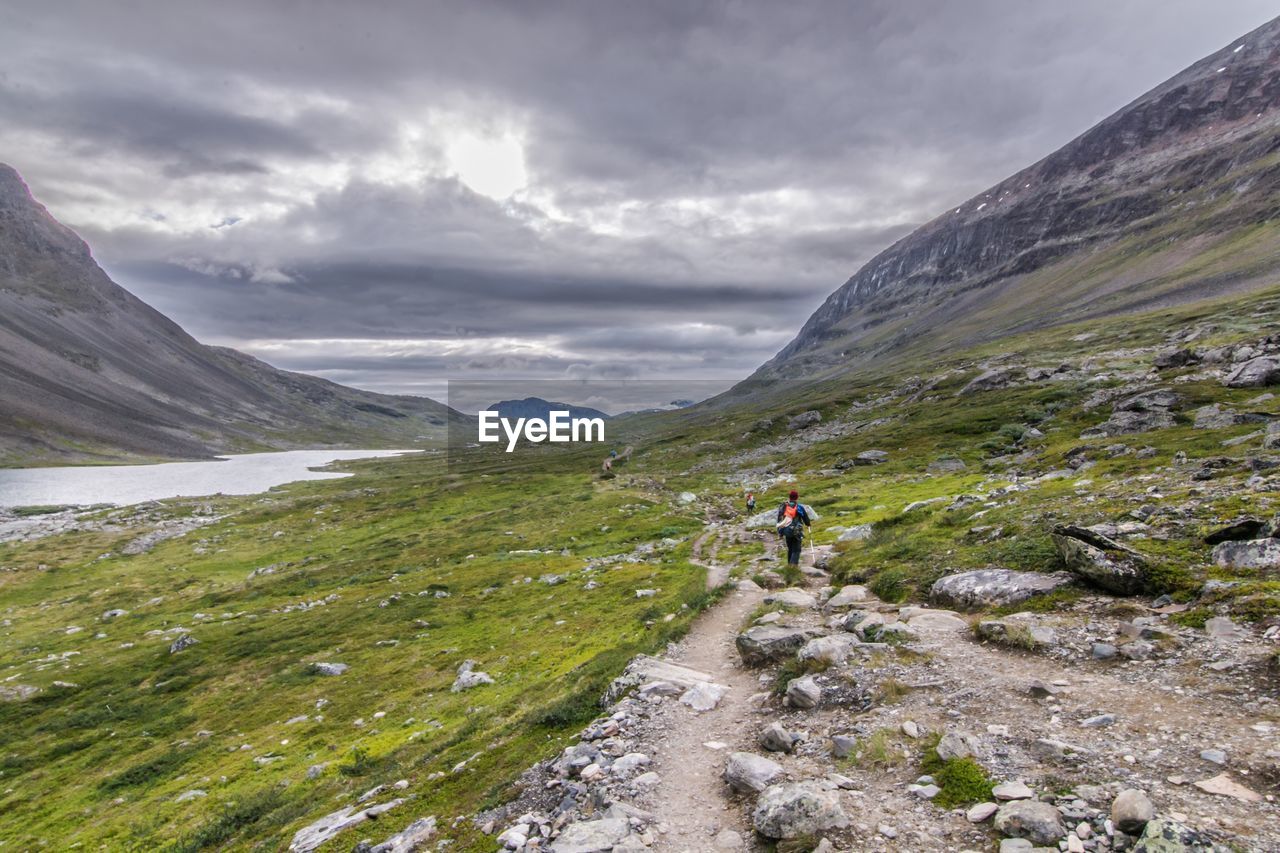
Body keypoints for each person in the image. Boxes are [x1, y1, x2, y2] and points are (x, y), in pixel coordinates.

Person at [776, 489, 811, 566]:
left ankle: (789, 566)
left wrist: (779, 532)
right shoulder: (799, 507)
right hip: (796, 531)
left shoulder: (784, 506)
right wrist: (808, 524)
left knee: (790, 549)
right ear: (797, 497)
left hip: (786, 531)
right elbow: (806, 519)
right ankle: (793, 566)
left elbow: (779, 519)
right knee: (796, 549)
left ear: (790, 497)